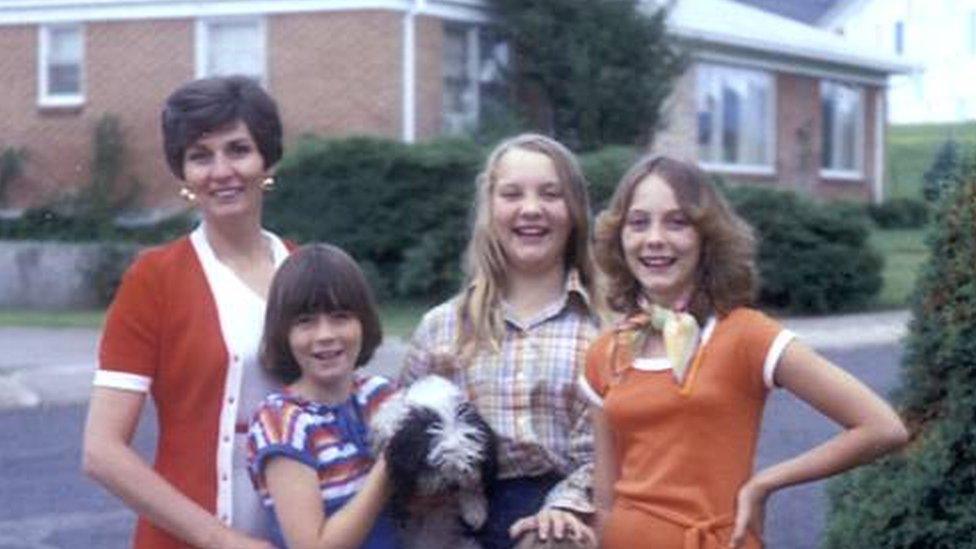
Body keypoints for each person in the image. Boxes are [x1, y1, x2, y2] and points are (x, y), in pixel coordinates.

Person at [582, 155, 910, 549]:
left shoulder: (746, 336)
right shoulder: (605, 353)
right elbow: (604, 498)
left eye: (677, 222)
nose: (654, 238)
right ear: (619, 238)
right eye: (638, 223)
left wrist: (766, 482)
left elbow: (882, 427)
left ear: (707, 238)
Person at [82, 76, 293, 548]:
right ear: (184, 173)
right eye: (201, 156)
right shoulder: (154, 279)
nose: (221, 171)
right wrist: (220, 540)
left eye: (238, 149)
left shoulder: (305, 270)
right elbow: (101, 451)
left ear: (266, 161)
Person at [400, 133, 600, 549]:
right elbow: (404, 442)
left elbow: (615, 454)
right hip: (461, 522)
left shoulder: (605, 326)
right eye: (512, 194)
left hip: (572, 519)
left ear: (576, 211)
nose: (531, 209)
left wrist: (562, 511)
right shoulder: (441, 328)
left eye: (551, 194)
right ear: (490, 210)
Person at [247, 243, 399, 549]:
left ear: (363, 322)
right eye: (305, 322)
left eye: (341, 316)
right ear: (283, 333)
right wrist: (390, 468)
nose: (325, 334)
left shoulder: (382, 396)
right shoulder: (282, 422)